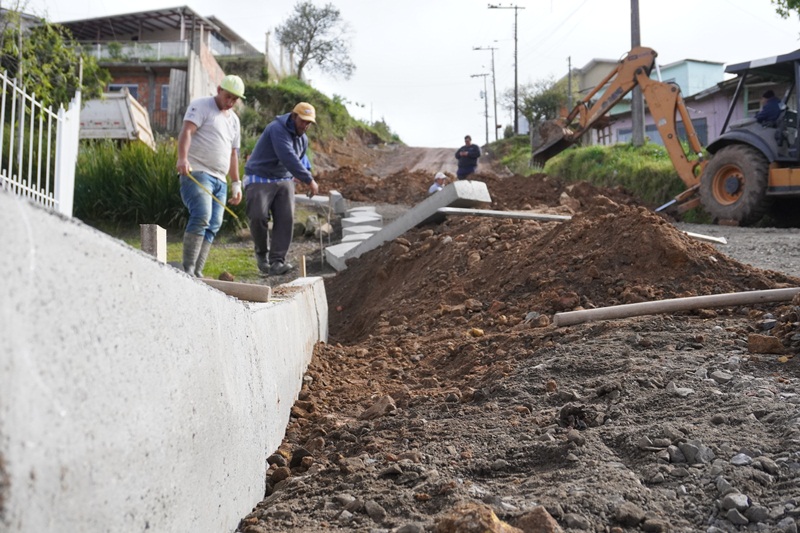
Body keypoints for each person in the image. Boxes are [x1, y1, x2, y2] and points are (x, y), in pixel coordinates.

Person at [176, 74, 244, 277]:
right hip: (197, 172)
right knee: (202, 215)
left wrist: (236, 184)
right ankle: (187, 269)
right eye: (228, 97)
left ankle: (197, 271)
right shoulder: (201, 106)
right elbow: (187, 131)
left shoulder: (234, 121)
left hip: (220, 181)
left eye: (235, 99)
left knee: (214, 224)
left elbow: (233, 154)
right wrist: (182, 158)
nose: (230, 102)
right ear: (219, 90)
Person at [243, 102, 319, 276]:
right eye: (303, 121)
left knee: (286, 218)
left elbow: (301, 159)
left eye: (309, 123)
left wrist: (306, 173)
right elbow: (287, 155)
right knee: (258, 216)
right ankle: (262, 254)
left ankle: (277, 261)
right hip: (259, 176)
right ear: (293, 117)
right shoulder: (277, 129)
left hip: (283, 178)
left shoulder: (303, 139)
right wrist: (309, 180)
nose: (305, 126)